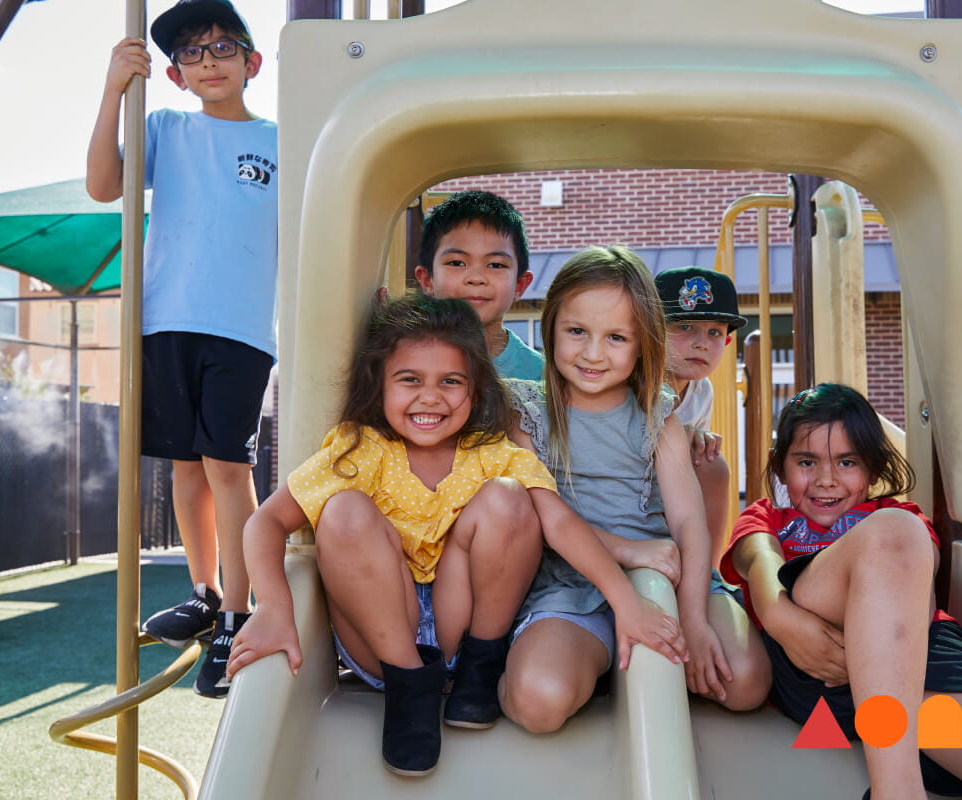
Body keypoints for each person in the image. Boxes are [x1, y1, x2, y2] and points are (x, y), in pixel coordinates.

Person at [227, 294, 687, 777]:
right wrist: (276, 610)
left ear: (476, 389)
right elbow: (266, 523)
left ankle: (478, 672)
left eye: (451, 382)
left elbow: (558, 523)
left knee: (511, 498)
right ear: (378, 385)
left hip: (460, 625)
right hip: (384, 637)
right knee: (342, 512)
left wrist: (625, 600)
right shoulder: (359, 447)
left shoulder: (490, 451)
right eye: (409, 381)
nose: (431, 397)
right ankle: (410, 694)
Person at [720, 383, 962, 800]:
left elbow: (917, 600)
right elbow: (760, 563)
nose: (826, 479)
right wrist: (782, 619)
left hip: (917, 693)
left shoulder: (898, 516)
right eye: (807, 461)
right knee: (892, 536)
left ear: (873, 469)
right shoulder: (770, 518)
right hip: (821, 671)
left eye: (847, 462)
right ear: (780, 468)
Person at [85, 0, 277, 697]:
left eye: (223, 47)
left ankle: (236, 613)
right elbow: (104, 185)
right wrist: (113, 88)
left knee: (227, 467)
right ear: (173, 74)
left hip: (241, 329)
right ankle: (202, 591)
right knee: (186, 469)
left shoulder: (280, 142)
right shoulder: (163, 126)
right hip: (166, 319)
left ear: (252, 63)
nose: (209, 60)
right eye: (193, 53)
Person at [502, 245, 771, 734]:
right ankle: (575, 653)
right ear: (550, 328)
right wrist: (627, 558)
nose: (592, 353)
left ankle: (630, 652)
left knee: (746, 682)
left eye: (616, 337)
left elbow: (689, 519)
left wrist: (693, 618)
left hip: (662, 577)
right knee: (538, 702)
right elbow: (544, 519)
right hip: (573, 583)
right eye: (577, 331)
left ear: (643, 341)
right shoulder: (528, 414)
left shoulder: (657, 412)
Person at [654, 266, 748, 567]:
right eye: (685, 327)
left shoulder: (701, 390)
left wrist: (696, 440)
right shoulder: (634, 385)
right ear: (652, 330)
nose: (702, 343)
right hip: (624, 504)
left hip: (672, 500)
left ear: (727, 343)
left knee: (710, 461)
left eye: (714, 332)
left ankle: (707, 571)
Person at [414, 190, 544, 381]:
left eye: (495, 265)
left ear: (519, 285)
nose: (476, 278)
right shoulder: (404, 361)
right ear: (427, 279)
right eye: (457, 263)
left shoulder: (542, 376)